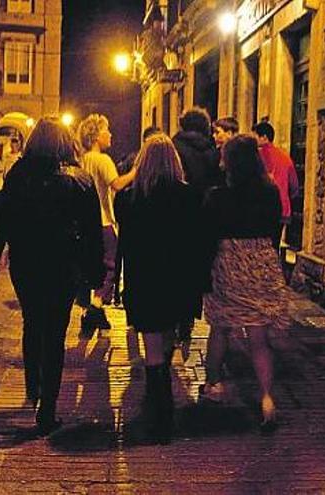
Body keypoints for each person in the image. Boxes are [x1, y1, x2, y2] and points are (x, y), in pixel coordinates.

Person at [0, 116, 105, 435]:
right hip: (64, 267)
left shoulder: (18, 175)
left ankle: (32, 389)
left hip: (27, 263)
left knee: (32, 322)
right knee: (56, 333)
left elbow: (1, 223)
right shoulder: (81, 180)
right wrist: (95, 271)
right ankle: (47, 408)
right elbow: (92, 232)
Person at [201, 134, 297, 433]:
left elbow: (207, 235)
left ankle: (214, 384)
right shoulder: (269, 192)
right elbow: (273, 227)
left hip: (229, 264)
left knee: (221, 329)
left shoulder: (217, 196)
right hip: (261, 263)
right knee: (259, 339)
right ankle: (267, 398)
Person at [115, 134, 202, 443]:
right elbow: (197, 243)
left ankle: (160, 413)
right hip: (178, 282)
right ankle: (162, 406)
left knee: (152, 347)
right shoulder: (189, 196)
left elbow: (126, 242)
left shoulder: (127, 199)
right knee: (168, 341)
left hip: (144, 281)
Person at [75, 114, 137, 337]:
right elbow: (117, 184)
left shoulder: (82, 160)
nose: (110, 134)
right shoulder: (103, 160)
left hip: (83, 222)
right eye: (106, 130)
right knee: (110, 267)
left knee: (87, 266)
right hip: (103, 220)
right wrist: (136, 170)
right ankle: (96, 306)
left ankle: (89, 312)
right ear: (95, 135)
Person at [171, 107, 223, 343]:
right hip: (205, 218)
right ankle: (188, 319)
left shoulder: (174, 147)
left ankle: (174, 314)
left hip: (178, 215)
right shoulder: (213, 151)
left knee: (176, 266)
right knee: (197, 269)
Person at [112, 125, 161, 306]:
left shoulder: (133, 160)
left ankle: (125, 295)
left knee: (127, 258)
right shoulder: (135, 161)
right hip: (140, 220)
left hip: (131, 219)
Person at [252, 121, 299, 250]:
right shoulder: (285, 157)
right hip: (282, 209)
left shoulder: (256, 156)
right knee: (275, 244)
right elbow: (294, 187)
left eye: (255, 136)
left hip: (262, 207)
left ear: (264, 137)